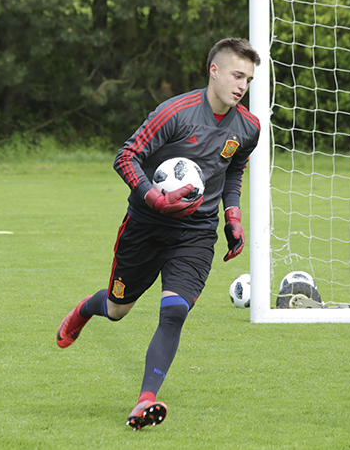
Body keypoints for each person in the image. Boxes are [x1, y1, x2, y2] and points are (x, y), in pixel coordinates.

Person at [56, 38, 261, 430]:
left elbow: (233, 169)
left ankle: (145, 400)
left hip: (197, 232)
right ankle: (86, 309)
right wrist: (154, 197)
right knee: (118, 310)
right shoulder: (175, 113)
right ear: (214, 71)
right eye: (237, 75)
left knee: (175, 312)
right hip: (147, 225)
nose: (242, 86)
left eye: (248, 80)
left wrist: (231, 215)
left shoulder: (248, 127)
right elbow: (127, 156)